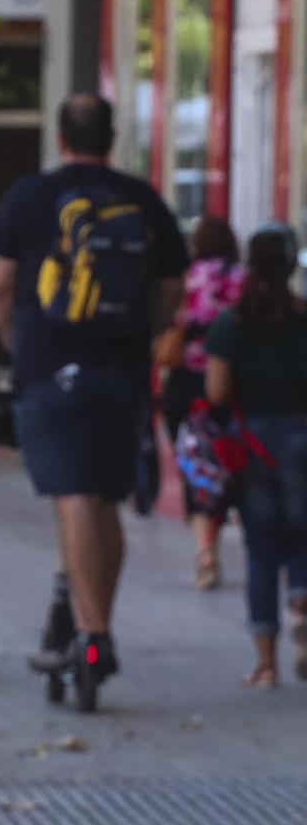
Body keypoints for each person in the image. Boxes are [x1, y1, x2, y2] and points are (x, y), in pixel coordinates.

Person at [0, 92, 188, 692]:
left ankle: (91, 635)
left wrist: (13, 340)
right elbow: (174, 279)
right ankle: (96, 628)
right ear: (112, 137)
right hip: (122, 370)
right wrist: (146, 333)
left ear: (60, 137)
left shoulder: (29, 196)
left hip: (52, 367)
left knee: (72, 494)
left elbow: (0, 281)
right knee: (105, 497)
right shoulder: (141, 197)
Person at [204, 224, 307, 687]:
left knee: (261, 551)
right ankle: (303, 610)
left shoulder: (230, 324)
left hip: (253, 447)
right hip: (303, 437)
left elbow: (217, 391)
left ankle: (266, 665)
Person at [160, 215, 244, 589]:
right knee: (227, 464)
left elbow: (170, 321)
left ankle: (204, 551)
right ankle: (215, 535)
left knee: (194, 466)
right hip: (230, 385)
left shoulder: (187, 277)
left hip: (185, 385)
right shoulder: (245, 279)